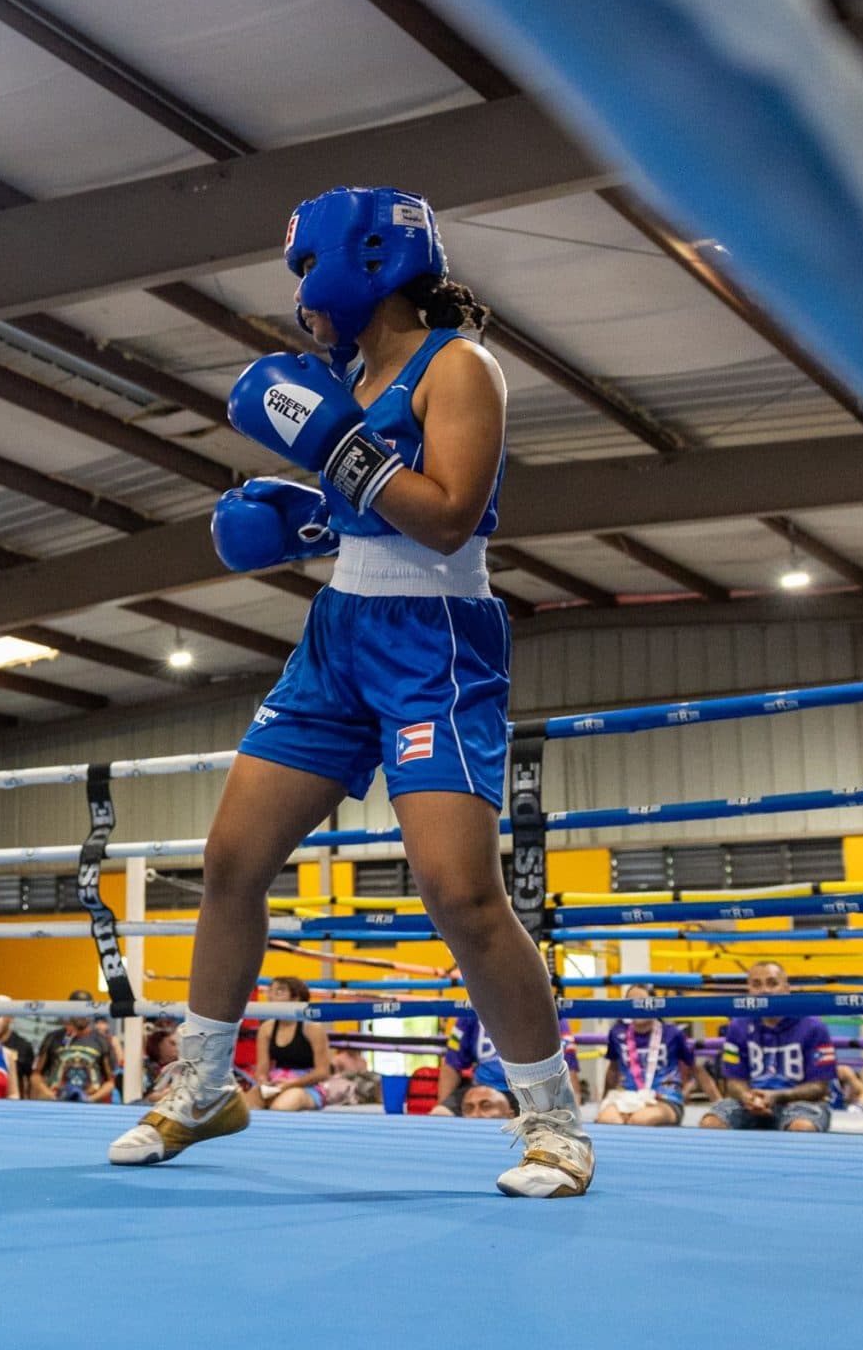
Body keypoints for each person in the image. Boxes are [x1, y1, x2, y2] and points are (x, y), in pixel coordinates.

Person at [108, 187, 592, 1198]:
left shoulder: (458, 367)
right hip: (338, 638)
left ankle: (552, 1121)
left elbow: (451, 516)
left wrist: (336, 452)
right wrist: (301, 523)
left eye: (302, 270)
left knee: (459, 892)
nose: (298, 297)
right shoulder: (345, 376)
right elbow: (368, 510)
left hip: (436, 643)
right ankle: (202, 1084)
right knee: (231, 859)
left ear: (360, 262)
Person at [700, 964, 836, 1132]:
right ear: (749, 990)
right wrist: (747, 1097)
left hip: (800, 1103)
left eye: (772, 983)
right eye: (756, 985)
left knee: (802, 1127)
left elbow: (820, 1087)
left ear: (786, 988)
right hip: (751, 1103)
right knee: (711, 1123)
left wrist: (778, 1096)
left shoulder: (814, 1027)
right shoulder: (737, 1027)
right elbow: (734, 1082)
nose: (764, 990)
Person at [435, 1009, 576, 1116]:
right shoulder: (472, 1010)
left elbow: (565, 1067)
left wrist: (572, 1112)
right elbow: (451, 1064)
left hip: (531, 1092)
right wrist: (444, 1104)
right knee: (440, 1113)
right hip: (481, 1088)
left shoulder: (548, 1011)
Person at [596, 992, 707, 1127]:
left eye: (642, 1001)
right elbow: (613, 1070)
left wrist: (718, 1102)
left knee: (640, 1120)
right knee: (608, 1120)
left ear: (653, 1003)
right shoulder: (617, 1032)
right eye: (632, 1001)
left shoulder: (672, 1033)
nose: (638, 1006)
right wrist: (604, 1101)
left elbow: (696, 1069)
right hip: (626, 1096)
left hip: (664, 1097)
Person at [247, 978, 328, 1110]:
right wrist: (263, 1082)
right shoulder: (267, 1028)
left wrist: (292, 1083)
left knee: (282, 1107)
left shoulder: (312, 1028)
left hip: (305, 1087)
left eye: (279, 992)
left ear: (296, 998)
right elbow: (262, 1070)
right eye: (270, 992)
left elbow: (323, 1072)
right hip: (276, 1084)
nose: (271, 997)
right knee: (246, 1106)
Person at [33, 990, 120, 1103]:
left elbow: (111, 1081)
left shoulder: (101, 1041)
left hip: (90, 1106)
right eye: (78, 1009)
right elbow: (36, 1075)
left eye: (86, 1009)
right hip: (57, 1103)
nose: (82, 1014)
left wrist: (90, 1099)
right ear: (70, 1009)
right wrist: (50, 1095)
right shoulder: (53, 1038)